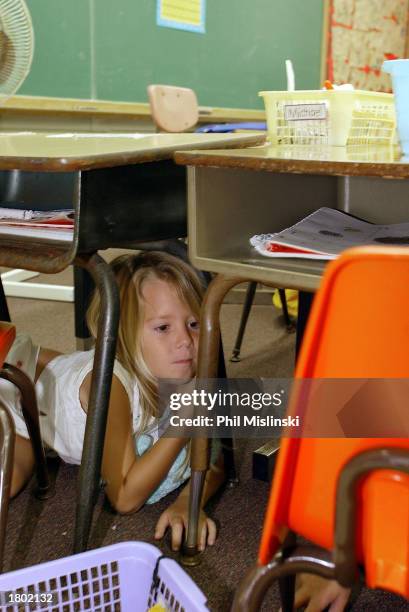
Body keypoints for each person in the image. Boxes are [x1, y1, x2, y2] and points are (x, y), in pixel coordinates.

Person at [3, 251, 225, 551]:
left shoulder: (183, 375)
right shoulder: (112, 388)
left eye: (194, 324)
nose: (185, 340)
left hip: (44, 409)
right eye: (163, 328)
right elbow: (124, 498)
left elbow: (215, 454)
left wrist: (189, 501)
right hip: (14, 384)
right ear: (122, 334)